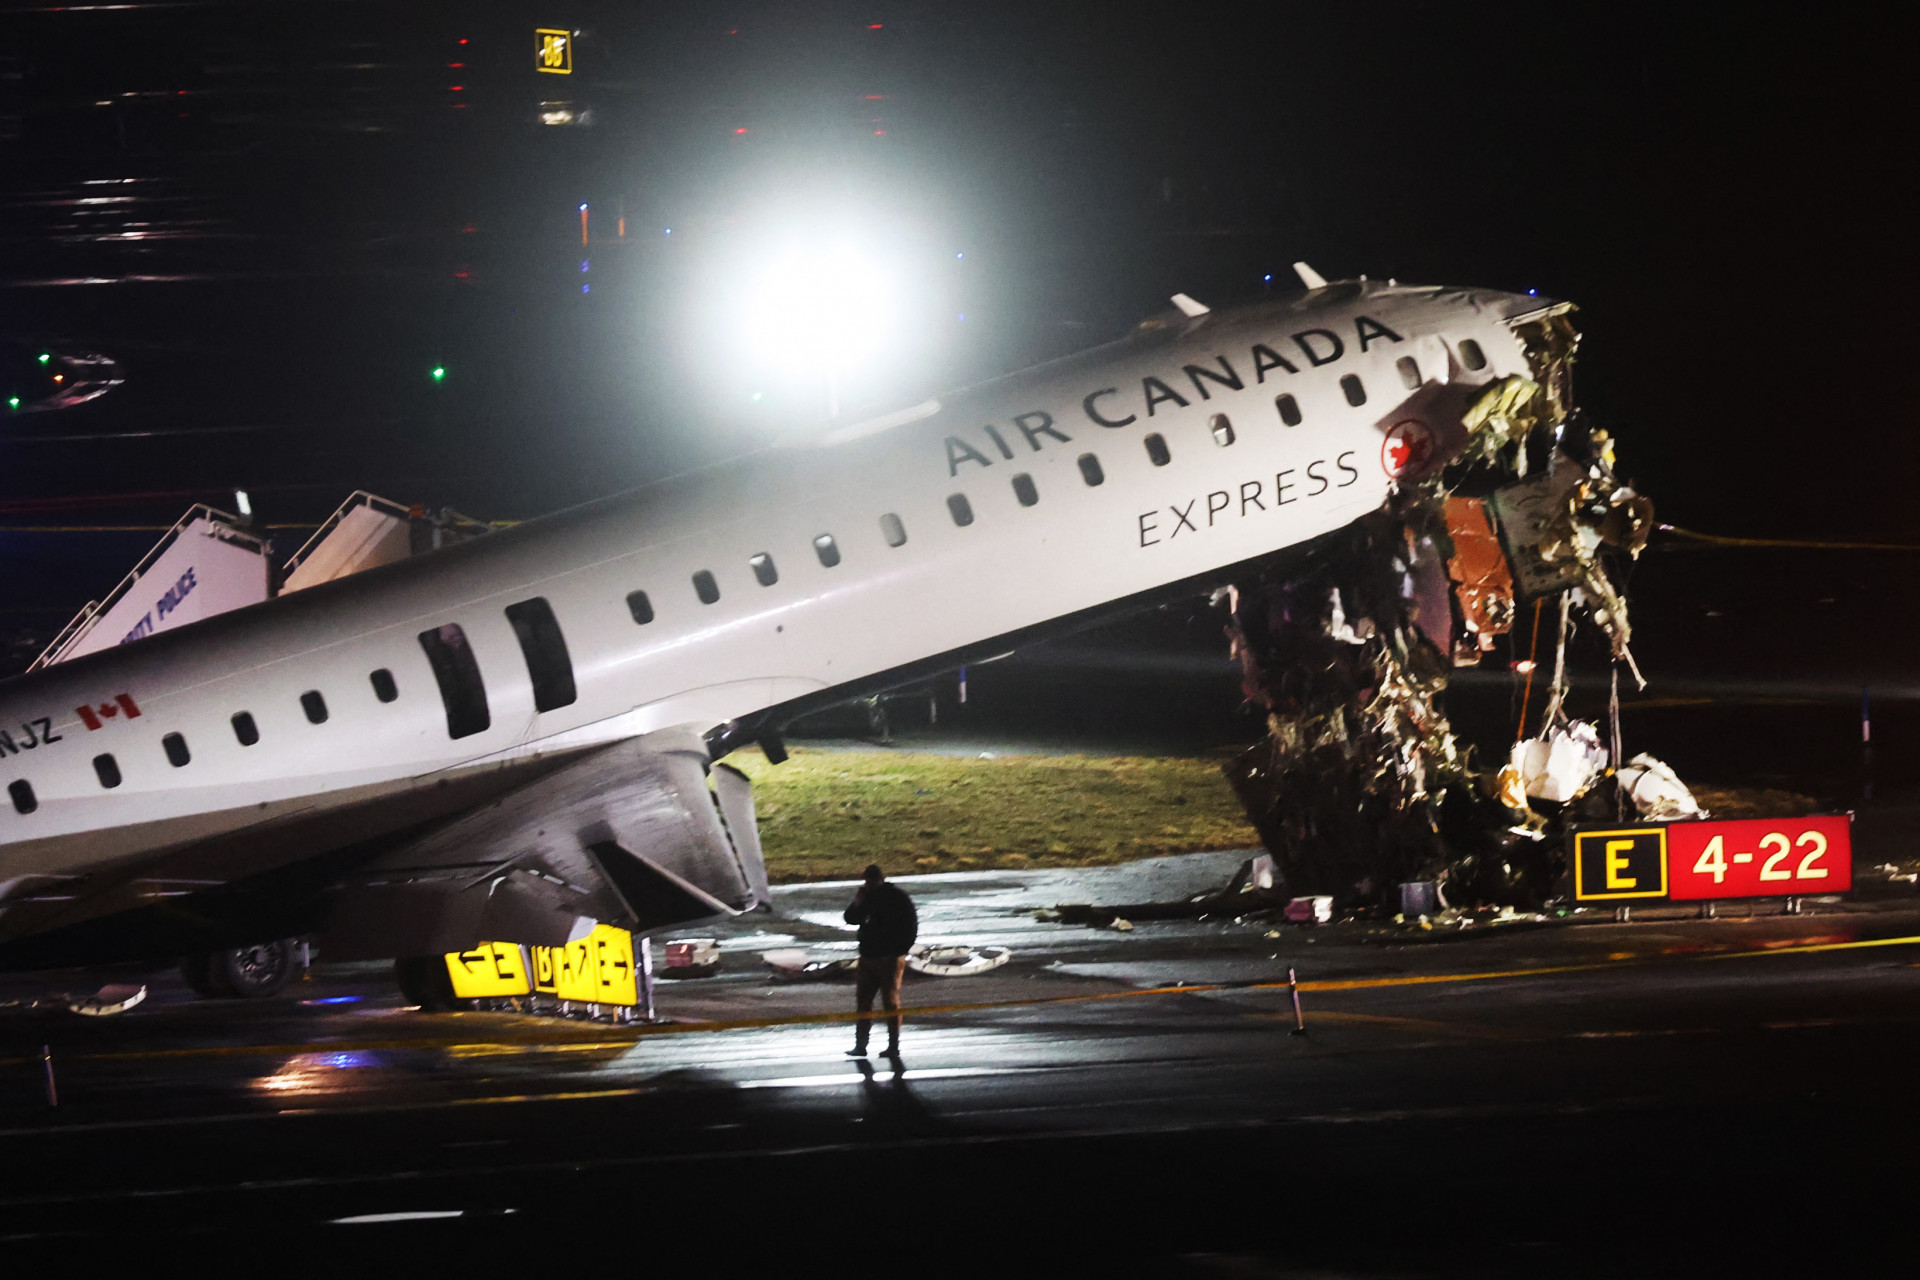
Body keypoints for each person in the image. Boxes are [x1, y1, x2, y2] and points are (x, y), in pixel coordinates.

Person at [843, 863, 918, 1058]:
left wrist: (899, 950)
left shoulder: (895, 898)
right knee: (867, 1002)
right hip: (871, 956)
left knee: (887, 1002)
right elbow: (851, 918)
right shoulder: (877, 897)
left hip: (886, 958)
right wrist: (858, 902)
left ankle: (889, 1046)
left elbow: (910, 925)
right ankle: (864, 1045)